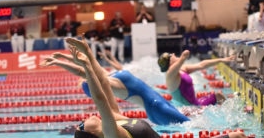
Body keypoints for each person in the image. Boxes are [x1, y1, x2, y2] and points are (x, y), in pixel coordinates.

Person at [62, 37, 264, 138]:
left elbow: (104, 86)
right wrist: (87, 66)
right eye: (81, 126)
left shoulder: (116, 122)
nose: (82, 120)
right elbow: (99, 99)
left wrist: (88, 55)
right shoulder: (112, 135)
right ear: (91, 133)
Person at [41, 47, 190, 126]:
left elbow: (89, 64)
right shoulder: (109, 84)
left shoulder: (111, 78)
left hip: (159, 105)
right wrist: (59, 62)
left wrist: (64, 57)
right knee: (194, 128)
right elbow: (84, 69)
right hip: (157, 108)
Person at [157, 50, 233, 106]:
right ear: (170, 62)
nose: (173, 53)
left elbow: (202, 65)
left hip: (196, 105)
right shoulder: (170, 76)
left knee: (218, 96)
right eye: (171, 55)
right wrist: (183, 57)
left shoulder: (182, 69)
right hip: (186, 111)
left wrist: (221, 60)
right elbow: (176, 65)